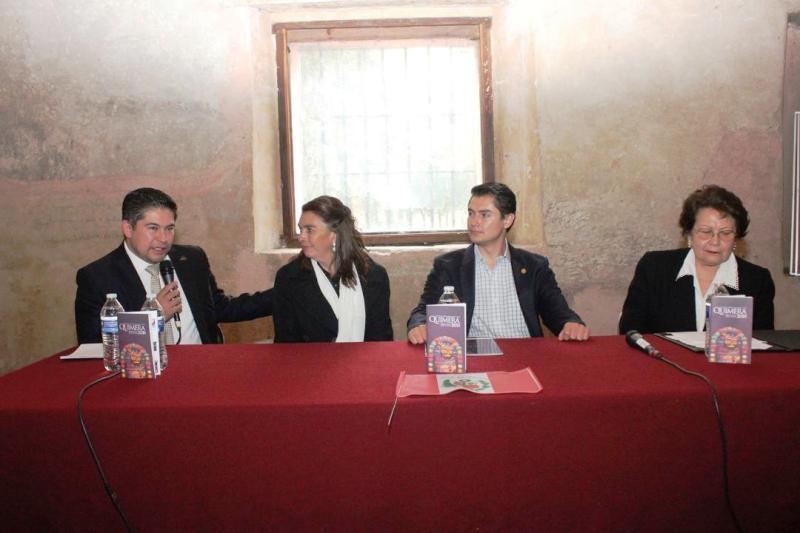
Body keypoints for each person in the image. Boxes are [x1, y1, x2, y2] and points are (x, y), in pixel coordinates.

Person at [75, 188, 273, 344]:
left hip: (202, 369)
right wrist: (153, 317)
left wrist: (282, 293)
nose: (163, 238)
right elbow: (94, 344)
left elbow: (220, 308)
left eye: (169, 229)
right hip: (143, 377)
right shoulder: (96, 277)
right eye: (153, 228)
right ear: (128, 228)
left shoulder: (192, 259)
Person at [407, 182, 589, 343]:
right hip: (474, 358)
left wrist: (571, 323)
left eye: (485, 215)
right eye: (471, 213)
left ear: (507, 220)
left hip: (526, 355)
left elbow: (558, 312)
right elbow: (422, 311)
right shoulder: (448, 266)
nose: (474, 222)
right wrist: (419, 325)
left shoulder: (534, 266)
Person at [619, 184, 775, 334]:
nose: (715, 241)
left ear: (736, 239)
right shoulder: (654, 268)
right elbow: (630, 330)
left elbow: (763, 342)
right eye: (706, 232)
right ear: (689, 234)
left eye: (726, 233)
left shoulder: (757, 281)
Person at [273, 195, 393, 342]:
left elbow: (380, 339)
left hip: (365, 357)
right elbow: (285, 343)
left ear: (334, 235)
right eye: (300, 229)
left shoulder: (373, 276)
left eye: (309, 230)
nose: (301, 237)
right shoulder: (289, 278)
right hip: (308, 358)